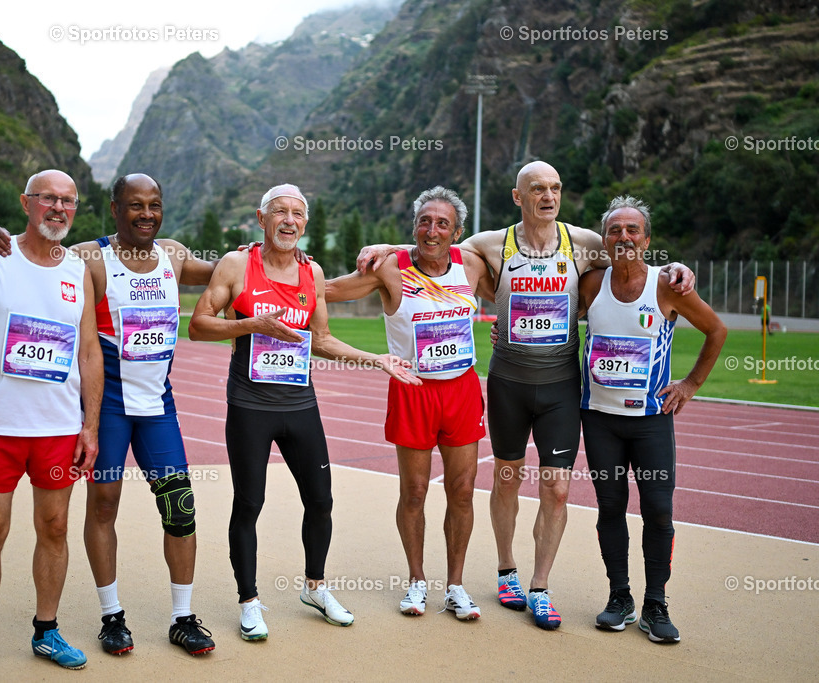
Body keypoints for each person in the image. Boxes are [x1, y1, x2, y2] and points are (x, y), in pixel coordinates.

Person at [357, 161, 694, 630]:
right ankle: (506, 572)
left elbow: (631, 253)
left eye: (555, 187)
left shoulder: (584, 242)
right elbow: (435, 243)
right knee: (507, 477)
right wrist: (387, 248)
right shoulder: (491, 244)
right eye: (537, 188)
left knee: (557, 488)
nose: (548, 196)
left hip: (560, 387)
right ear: (518, 197)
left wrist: (675, 267)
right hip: (509, 384)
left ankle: (540, 586)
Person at [0, 173, 218, 656]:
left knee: (180, 507)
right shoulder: (88, 257)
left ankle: (183, 617)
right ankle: (112, 617)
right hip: (108, 407)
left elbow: (229, 271)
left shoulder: (172, 254)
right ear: (114, 209)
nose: (146, 214)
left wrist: (265, 252)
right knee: (103, 505)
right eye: (134, 205)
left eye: (154, 204)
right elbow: (36, 248)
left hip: (158, 407)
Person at [188, 183, 419, 641]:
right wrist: (252, 324)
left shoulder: (311, 272)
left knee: (320, 500)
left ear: (305, 223)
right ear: (262, 219)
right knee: (249, 503)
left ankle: (315, 587)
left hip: (300, 404)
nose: (289, 220)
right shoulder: (236, 264)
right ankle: (249, 602)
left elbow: (322, 339)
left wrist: (375, 360)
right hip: (250, 405)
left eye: (297, 213)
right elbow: (198, 325)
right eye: (279, 212)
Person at [0, 169, 103, 682]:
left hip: (58, 429)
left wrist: (90, 426)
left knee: (54, 528)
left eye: (68, 201)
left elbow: (89, 350)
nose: (58, 208)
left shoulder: (78, 270)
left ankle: (46, 631)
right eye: (47, 198)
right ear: (25, 203)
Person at [326, 187, 492, 620]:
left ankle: (455, 586)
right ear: (414, 226)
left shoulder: (471, 264)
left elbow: (516, 289)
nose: (432, 230)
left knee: (462, 490)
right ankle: (417, 581)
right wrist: (272, 269)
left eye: (442, 224)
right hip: (413, 388)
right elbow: (331, 290)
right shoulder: (390, 268)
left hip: (460, 389)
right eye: (424, 222)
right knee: (414, 491)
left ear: (458, 231)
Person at [579, 196, 726, 643]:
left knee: (659, 511)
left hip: (650, 420)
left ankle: (656, 603)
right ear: (604, 239)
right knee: (610, 508)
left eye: (632, 229)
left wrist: (690, 384)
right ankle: (619, 597)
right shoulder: (591, 283)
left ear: (647, 239)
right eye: (615, 230)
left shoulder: (666, 286)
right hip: (599, 417)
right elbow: (549, 315)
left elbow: (716, 330)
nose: (623, 236)